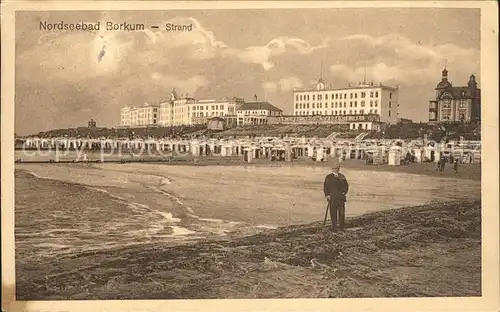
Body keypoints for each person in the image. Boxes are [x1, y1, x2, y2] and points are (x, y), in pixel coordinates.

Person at [323, 164, 349, 232]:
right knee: (333, 213)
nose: (336, 170)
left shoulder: (342, 176)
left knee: (342, 213)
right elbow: (325, 187)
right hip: (332, 198)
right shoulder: (328, 177)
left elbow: (346, 186)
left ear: (339, 169)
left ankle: (341, 227)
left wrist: (344, 192)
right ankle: (334, 228)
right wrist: (327, 195)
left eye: (337, 168)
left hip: (341, 198)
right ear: (332, 169)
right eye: (334, 168)